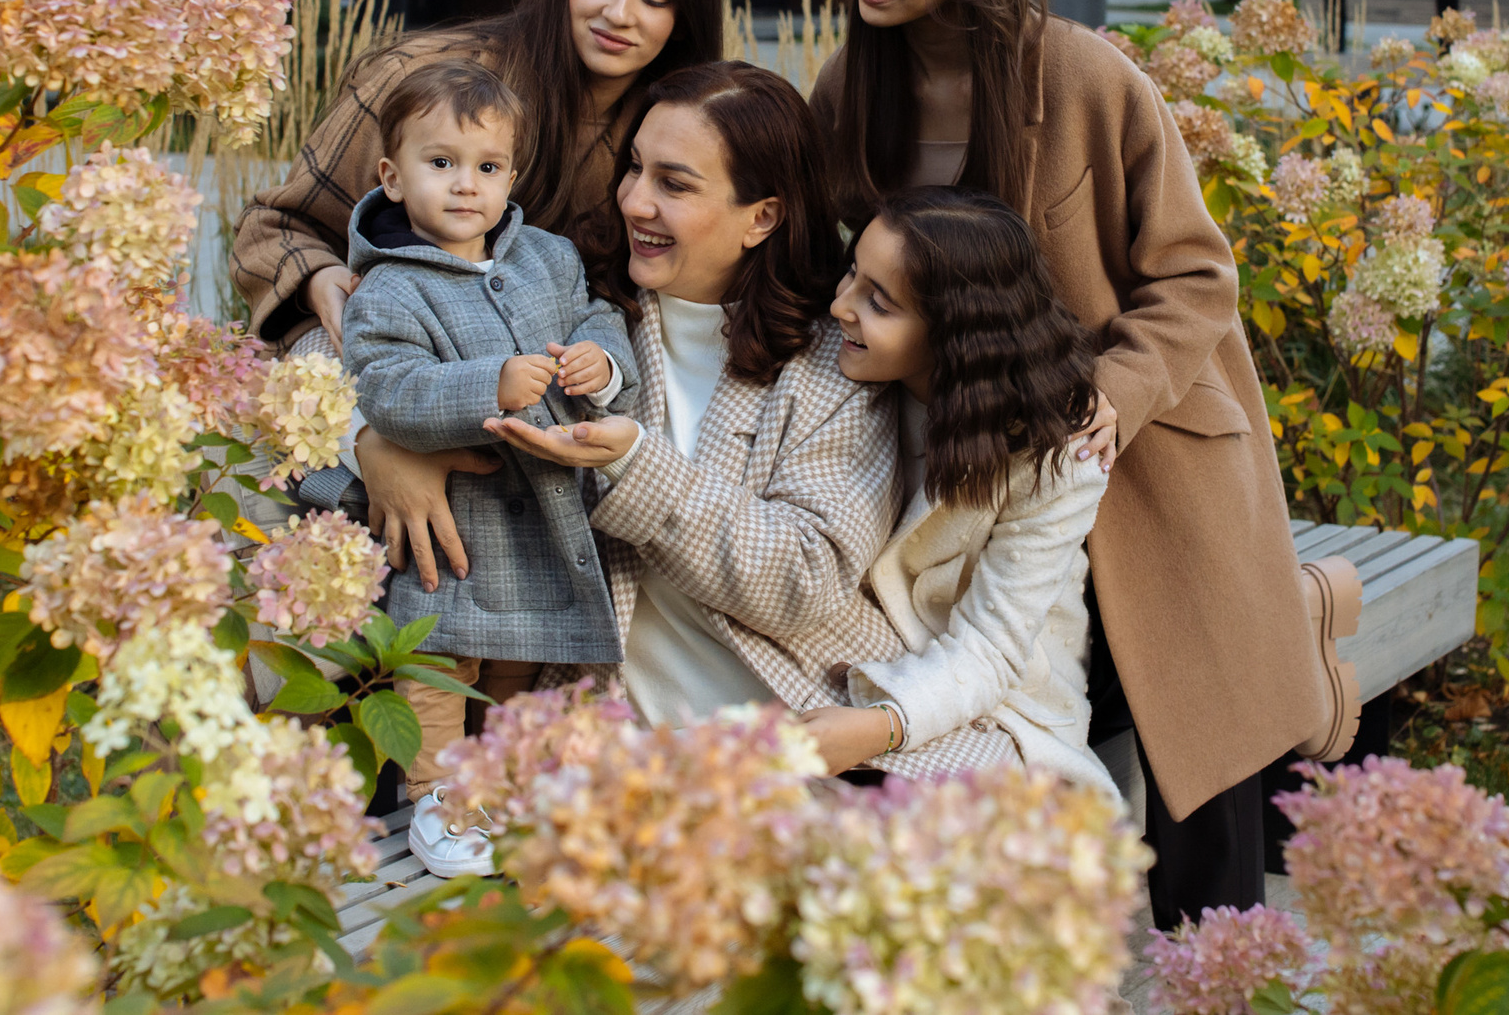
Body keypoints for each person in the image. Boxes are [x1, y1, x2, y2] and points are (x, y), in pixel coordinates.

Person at [808, 0, 1361, 924]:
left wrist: (1108, 397)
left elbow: (1197, 276)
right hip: (968, 463)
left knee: (1197, 729)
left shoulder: (1086, 78)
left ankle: (1223, 980)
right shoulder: (848, 92)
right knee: (1006, 689)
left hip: (1135, 452)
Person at [476, 61, 1008, 776]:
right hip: (606, 732)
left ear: (762, 216)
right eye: (634, 168)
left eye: (674, 183)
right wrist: (381, 446)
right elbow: (393, 309)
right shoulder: (571, 308)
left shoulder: (832, 364)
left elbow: (805, 577)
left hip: (794, 724)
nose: (634, 201)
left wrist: (637, 463)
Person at [232, 0, 722, 585]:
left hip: (543, 501)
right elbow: (276, 230)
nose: (621, 13)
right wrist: (365, 438)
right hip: (379, 438)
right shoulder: (433, 85)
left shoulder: (671, 141)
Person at [333, 57, 639, 876]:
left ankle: (495, 781)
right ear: (393, 178)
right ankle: (437, 794)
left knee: (515, 660)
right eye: (442, 164)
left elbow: (599, 315)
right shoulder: (388, 290)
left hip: (539, 517)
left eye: (488, 166)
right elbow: (386, 387)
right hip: (456, 527)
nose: (466, 185)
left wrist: (598, 364)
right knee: (441, 662)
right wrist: (487, 384)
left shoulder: (548, 257)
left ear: (512, 174)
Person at [799, 186, 1114, 794]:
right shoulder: (841, 370)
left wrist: (879, 727)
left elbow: (991, 649)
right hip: (846, 648)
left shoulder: (1058, 456)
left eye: (879, 303)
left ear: (955, 334)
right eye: (850, 275)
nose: (840, 306)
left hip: (989, 691)